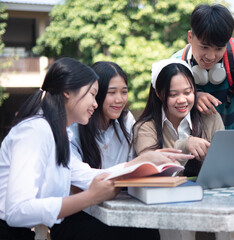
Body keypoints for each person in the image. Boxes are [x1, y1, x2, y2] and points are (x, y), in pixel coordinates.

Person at [0, 57, 193, 240]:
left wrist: (142, 162)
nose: (95, 103)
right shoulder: (36, 131)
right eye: (93, 95)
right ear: (67, 92)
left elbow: (86, 176)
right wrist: (90, 197)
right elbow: (17, 212)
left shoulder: (58, 132)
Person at [51, 61, 160, 240]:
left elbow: (135, 170)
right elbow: (79, 180)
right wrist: (133, 166)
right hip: (78, 213)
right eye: (112, 93)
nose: (120, 99)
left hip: (117, 208)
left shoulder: (126, 120)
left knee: (147, 228)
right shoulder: (72, 127)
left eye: (124, 92)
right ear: (96, 94)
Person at [172, 4, 234, 181]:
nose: (211, 56)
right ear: (190, 37)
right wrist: (192, 95)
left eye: (219, 48)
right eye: (204, 47)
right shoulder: (176, 64)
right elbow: (166, 114)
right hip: (196, 157)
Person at [133, 58, 224, 176]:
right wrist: (184, 146)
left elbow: (222, 165)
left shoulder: (210, 117)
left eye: (187, 92)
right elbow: (152, 173)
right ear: (158, 93)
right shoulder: (145, 128)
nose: (181, 100)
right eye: (173, 94)